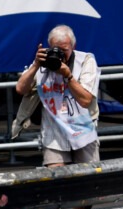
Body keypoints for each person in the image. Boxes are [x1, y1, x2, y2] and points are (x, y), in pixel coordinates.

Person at [14, 25, 100, 167]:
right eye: (56, 49)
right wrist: (36, 65)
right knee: (57, 176)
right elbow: (20, 89)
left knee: (88, 175)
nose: (59, 55)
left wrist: (68, 76)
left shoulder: (85, 60)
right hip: (53, 133)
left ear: (73, 46)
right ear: (50, 46)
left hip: (83, 132)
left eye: (64, 50)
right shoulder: (43, 61)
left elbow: (85, 100)